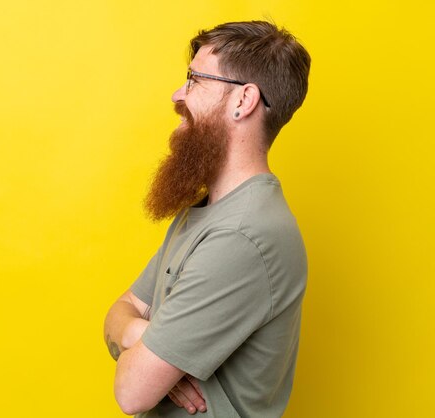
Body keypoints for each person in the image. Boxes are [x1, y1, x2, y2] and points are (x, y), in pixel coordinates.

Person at [104, 20, 311, 417]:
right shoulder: (204, 212)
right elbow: (123, 307)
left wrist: (150, 354)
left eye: (194, 79)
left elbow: (131, 392)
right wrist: (142, 335)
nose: (177, 94)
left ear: (243, 101)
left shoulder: (244, 235)